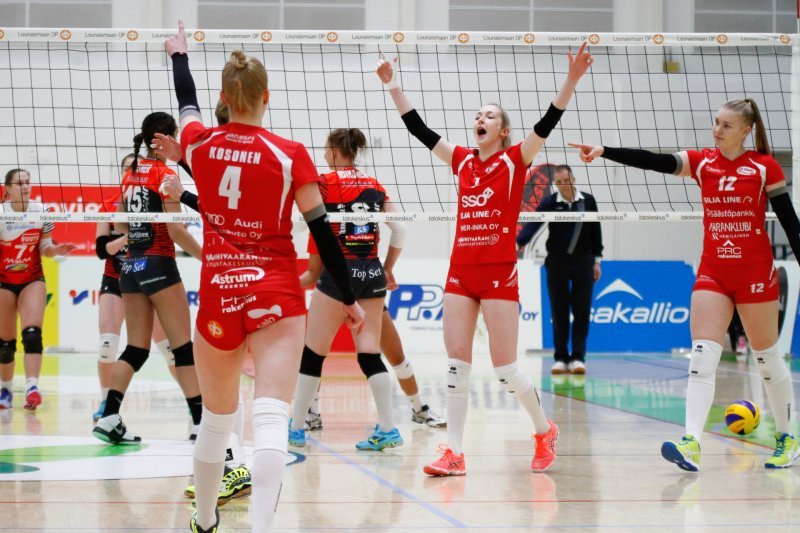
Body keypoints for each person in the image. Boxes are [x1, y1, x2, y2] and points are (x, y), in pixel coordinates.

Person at [164, 20, 363, 533]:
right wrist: (349, 296)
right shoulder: (290, 154)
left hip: (219, 293)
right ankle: (262, 528)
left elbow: (186, 104)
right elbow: (322, 233)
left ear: (223, 98)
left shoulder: (198, 144)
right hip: (275, 290)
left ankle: (205, 520)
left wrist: (179, 55)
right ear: (266, 96)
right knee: (272, 417)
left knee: (217, 421)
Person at [377, 43, 593, 475]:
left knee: (506, 368)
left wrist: (571, 80)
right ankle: (454, 452)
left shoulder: (516, 159)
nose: (481, 119)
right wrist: (393, 85)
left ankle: (543, 429)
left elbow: (548, 121)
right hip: (460, 272)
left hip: (498, 274)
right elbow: (418, 129)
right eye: (478, 115)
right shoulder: (461, 160)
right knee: (456, 365)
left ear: (504, 130)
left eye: (489, 116)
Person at [571, 97, 800, 470]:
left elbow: (790, 222)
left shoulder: (764, 166)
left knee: (767, 360)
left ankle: (787, 438)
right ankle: (691, 442)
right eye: (716, 122)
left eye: (726, 125)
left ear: (746, 130)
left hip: (755, 274)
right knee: (702, 357)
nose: (717, 130)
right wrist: (605, 151)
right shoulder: (702, 162)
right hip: (714, 271)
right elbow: (655, 161)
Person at [288, 127, 408, 451]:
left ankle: (296, 427)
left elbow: (298, 223)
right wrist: (388, 268)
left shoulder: (325, 183)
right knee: (369, 355)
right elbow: (400, 229)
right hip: (372, 273)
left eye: (325, 149)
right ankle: (388, 428)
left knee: (314, 353)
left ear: (333, 151)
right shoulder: (375, 185)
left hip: (339, 274)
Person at [92, 111, 204, 446]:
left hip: (130, 268)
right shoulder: (165, 174)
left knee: (136, 349)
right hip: (158, 264)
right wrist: (208, 257)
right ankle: (201, 424)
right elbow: (176, 231)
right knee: (182, 348)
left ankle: (109, 417)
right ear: (164, 138)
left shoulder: (130, 175)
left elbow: (121, 226)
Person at [301, 255, 446, 430]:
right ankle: (312, 413)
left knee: (397, 357)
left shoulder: (369, 238)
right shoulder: (323, 236)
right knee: (314, 357)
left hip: (367, 291)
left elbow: (397, 235)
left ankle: (419, 409)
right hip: (333, 292)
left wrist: (387, 268)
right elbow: (313, 271)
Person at [92, 153, 180, 422]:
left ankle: (193, 404)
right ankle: (106, 403)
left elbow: (172, 233)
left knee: (170, 350)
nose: (131, 174)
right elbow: (101, 250)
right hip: (115, 280)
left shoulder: (153, 201)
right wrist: (128, 237)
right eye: (127, 170)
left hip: (147, 281)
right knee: (108, 344)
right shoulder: (109, 204)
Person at [516, 164, 603, 375]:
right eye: (559, 182)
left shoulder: (588, 201)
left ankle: (578, 358)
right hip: (557, 262)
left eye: (567, 180)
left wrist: (597, 260)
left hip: (584, 261)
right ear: (555, 184)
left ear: (573, 179)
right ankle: (561, 358)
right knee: (559, 311)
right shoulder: (550, 202)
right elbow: (534, 224)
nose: (564, 185)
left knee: (582, 312)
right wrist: (519, 242)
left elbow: (596, 230)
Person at [0, 169, 75, 410]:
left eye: (27, 182)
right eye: (19, 183)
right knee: (5, 345)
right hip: (3, 280)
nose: (25, 186)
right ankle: (5, 389)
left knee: (32, 335)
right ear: (7, 189)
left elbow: (44, 248)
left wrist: (56, 250)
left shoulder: (41, 211)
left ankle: (32, 388)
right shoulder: (1, 214)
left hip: (32, 278)